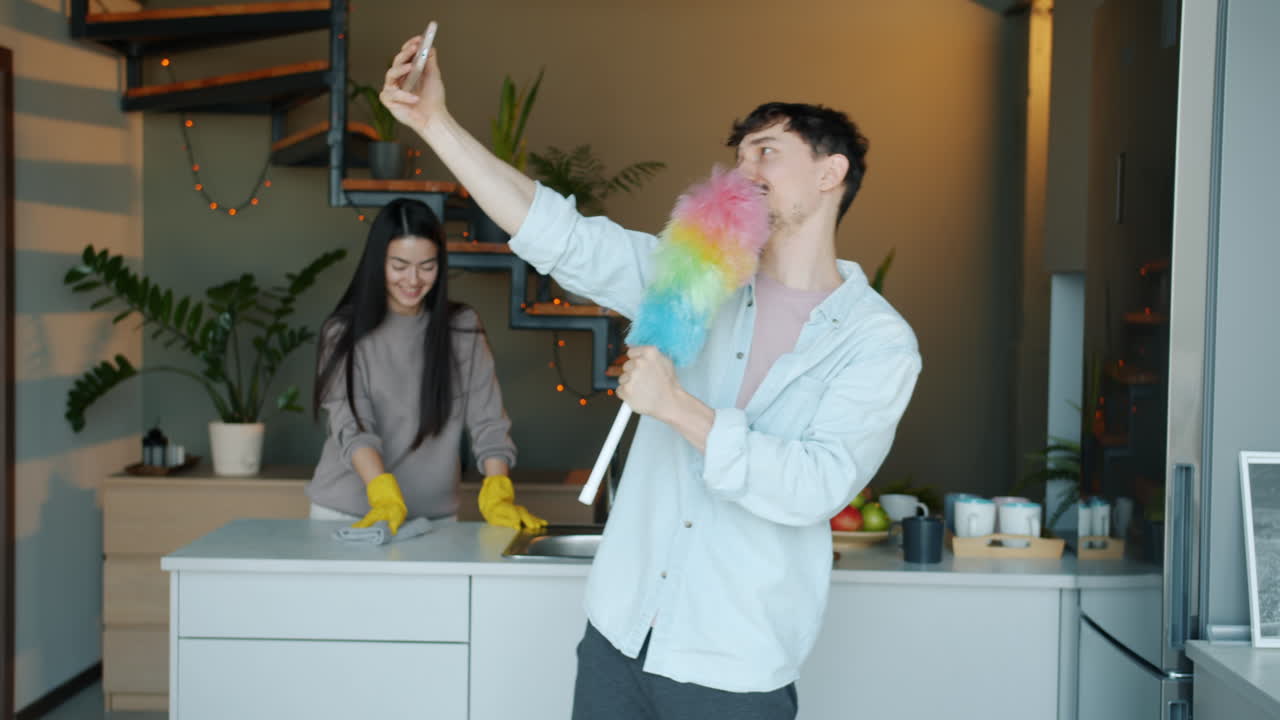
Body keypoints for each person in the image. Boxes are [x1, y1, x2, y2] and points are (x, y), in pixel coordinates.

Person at [379, 35, 921, 719]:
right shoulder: (694, 276)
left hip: (733, 665)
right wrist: (434, 123)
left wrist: (676, 407)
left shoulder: (876, 342)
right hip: (618, 638)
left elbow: (814, 487)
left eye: (766, 152)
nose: (742, 170)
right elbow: (562, 236)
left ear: (829, 172)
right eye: (739, 155)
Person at [308, 197, 546, 534]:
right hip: (348, 514)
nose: (413, 279)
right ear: (378, 262)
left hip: (436, 518)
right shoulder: (343, 332)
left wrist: (498, 492)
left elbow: (489, 421)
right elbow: (353, 427)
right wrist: (382, 494)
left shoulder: (462, 327)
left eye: (427, 266)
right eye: (400, 265)